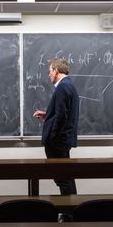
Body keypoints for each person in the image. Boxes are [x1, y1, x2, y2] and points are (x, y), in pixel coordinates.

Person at [33, 57, 79, 196]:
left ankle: (68, 214)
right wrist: (47, 115)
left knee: (62, 178)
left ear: (56, 70)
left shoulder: (63, 87)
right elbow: (63, 113)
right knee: (66, 177)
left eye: (50, 71)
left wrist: (52, 138)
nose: (49, 75)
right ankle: (72, 210)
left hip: (58, 143)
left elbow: (61, 117)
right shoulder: (68, 85)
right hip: (62, 141)